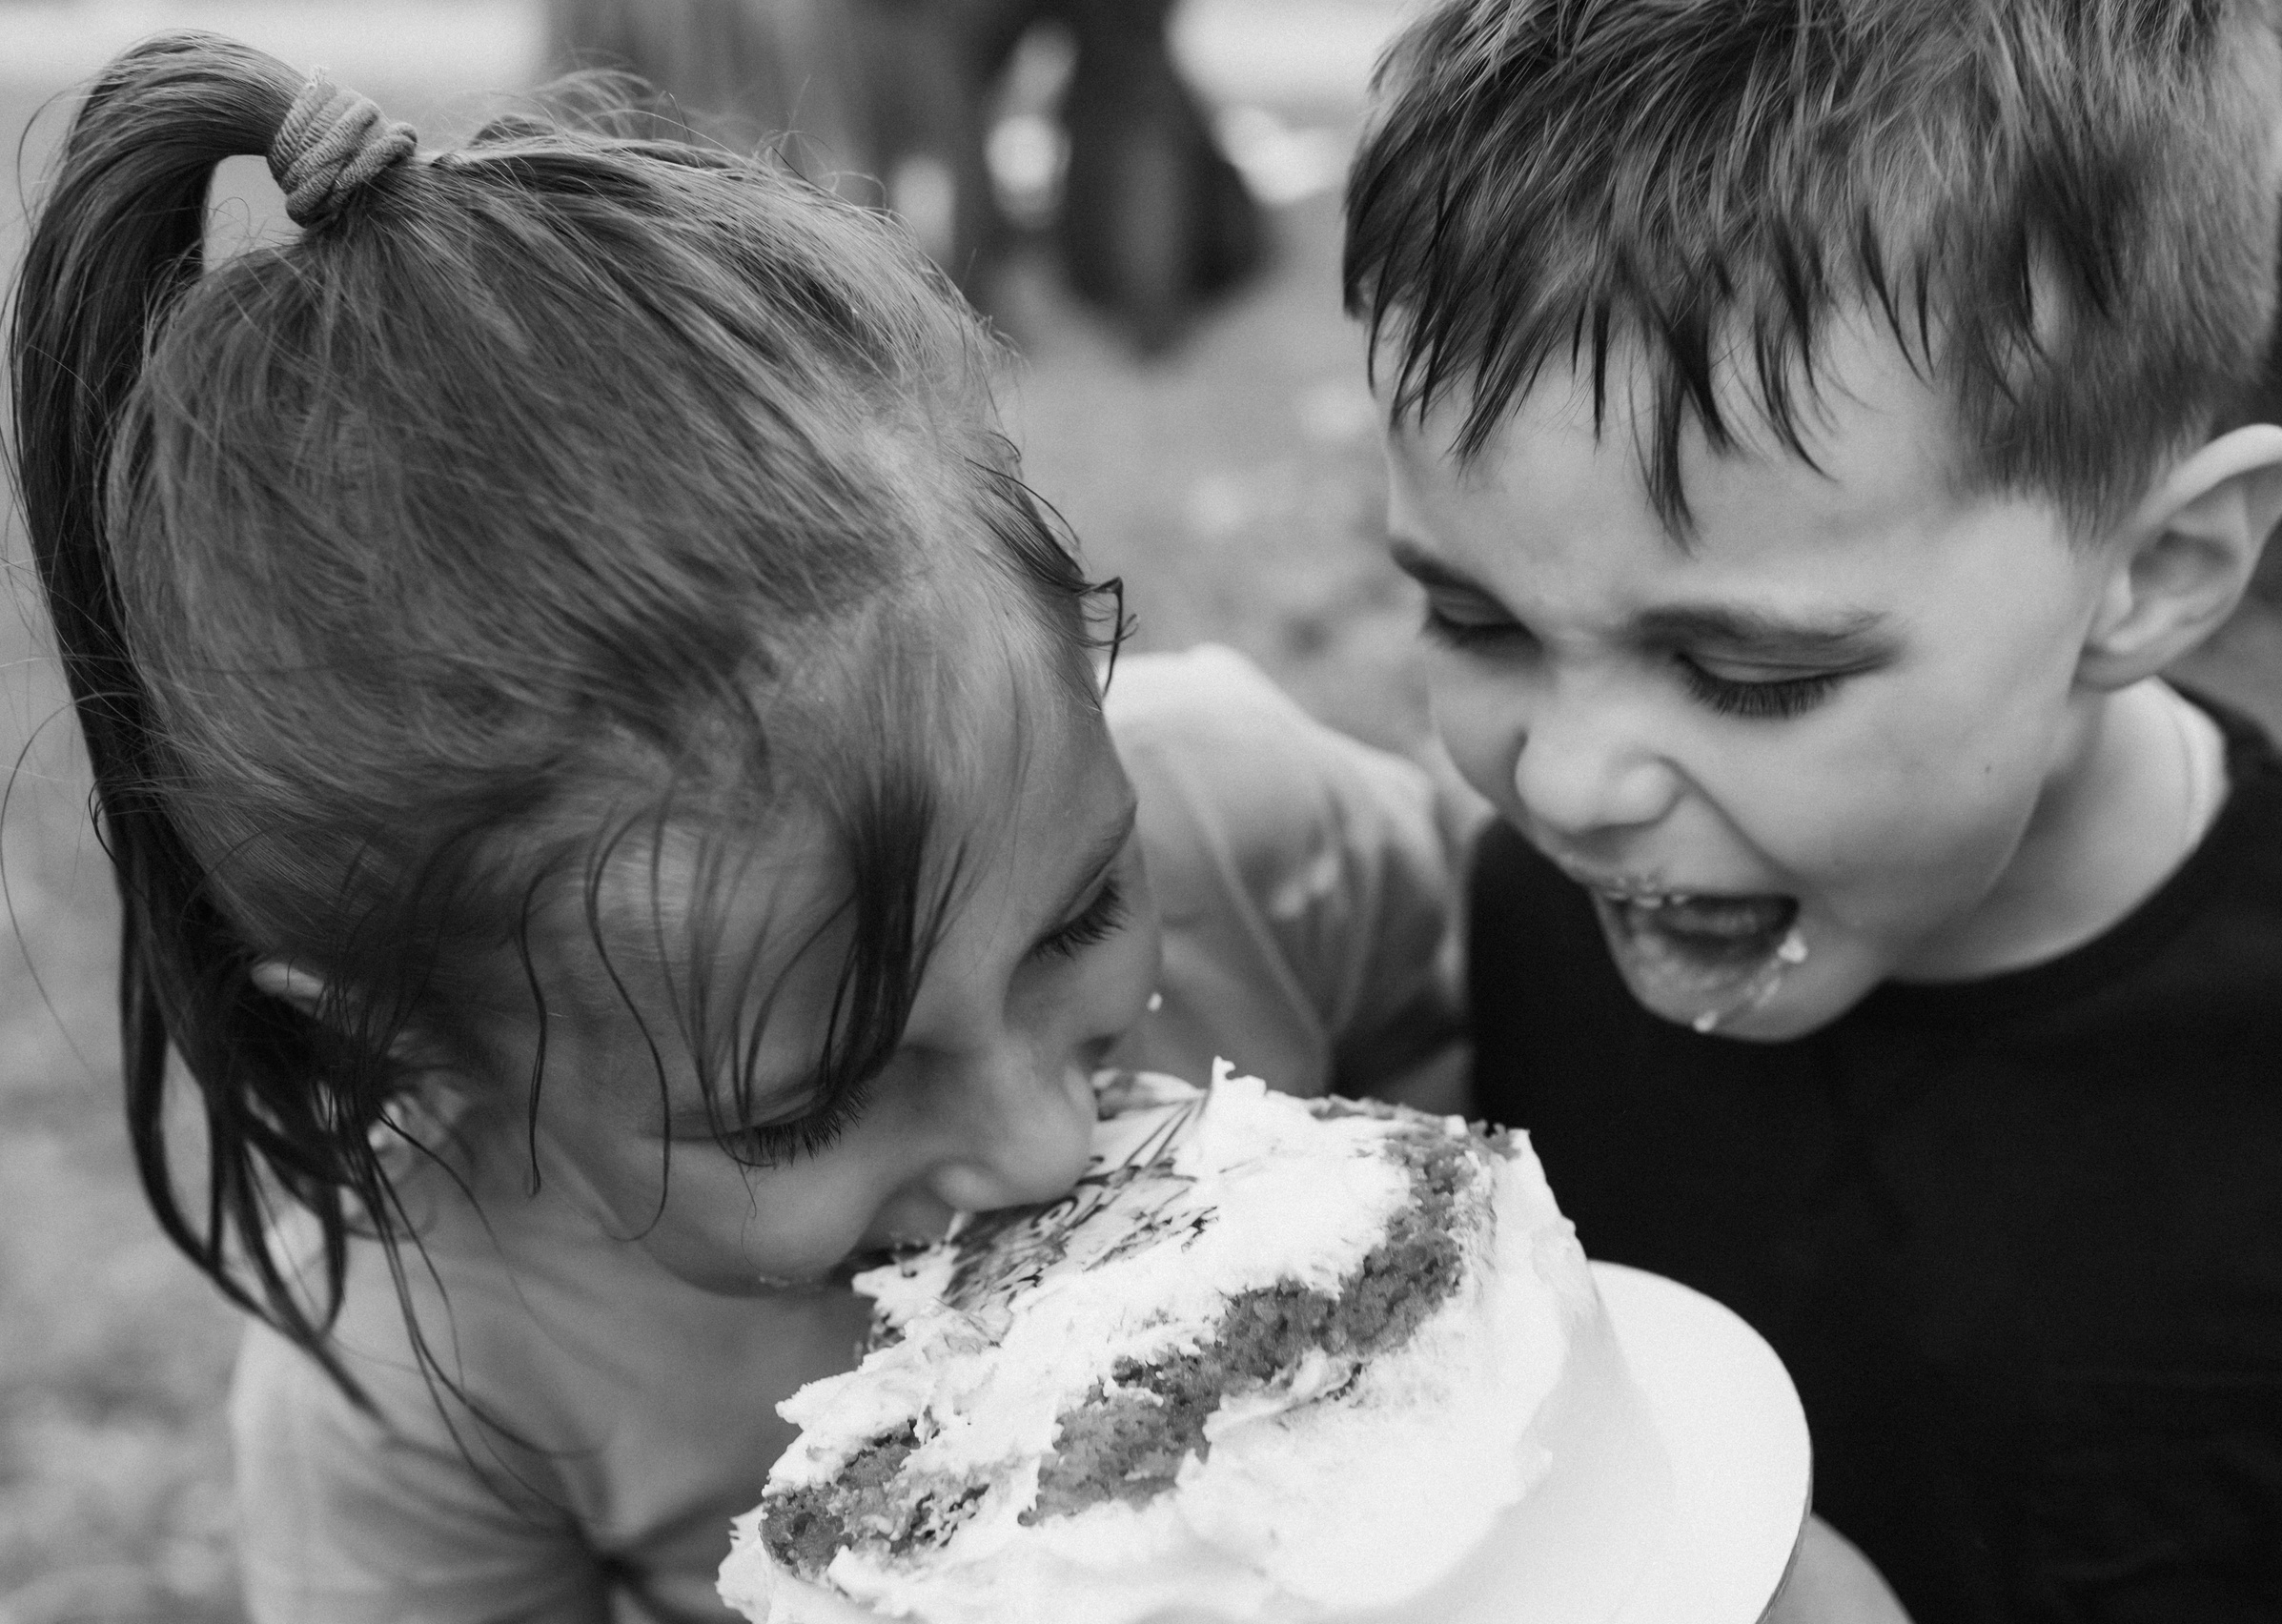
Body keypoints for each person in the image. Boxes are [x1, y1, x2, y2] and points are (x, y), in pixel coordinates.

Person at [9, 36, 1459, 1621]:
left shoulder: (1245, 817)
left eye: (1083, 921)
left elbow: (1460, 1025)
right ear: (409, 1046)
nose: (1045, 1141)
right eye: (805, 1111)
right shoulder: (434, 1380)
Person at [1342, 1, 2282, 1620]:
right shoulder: (1532, 918)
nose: (1568, 784)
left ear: (2156, 572)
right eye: (1477, 622)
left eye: (1744, 672)